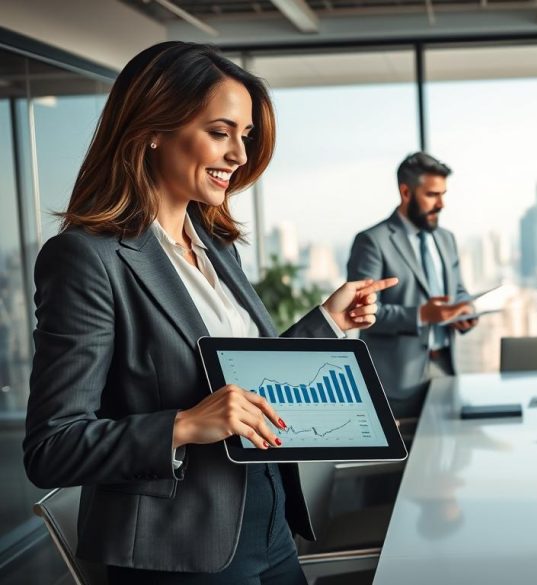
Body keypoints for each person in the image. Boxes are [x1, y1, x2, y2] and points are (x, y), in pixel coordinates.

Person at [22, 41, 397, 583]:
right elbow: (52, 447)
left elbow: (243, 385)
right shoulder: (86, 258)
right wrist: (183, 425)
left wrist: (329, 321)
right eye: (220, 133)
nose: (240, 156)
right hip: (181, 548)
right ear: (153, 128)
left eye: (243, 137)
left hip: (269, 519)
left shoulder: (217, 248)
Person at [347, 152, 475, 418]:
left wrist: (465, 311)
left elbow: (458, 290)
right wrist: (421, 315)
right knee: (407, 458)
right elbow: (362, 313)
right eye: (432, 195)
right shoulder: (372, 241)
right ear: (406, 192)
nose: (441, 204)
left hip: (445, 369)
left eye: (443, 194)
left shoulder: (446, 239)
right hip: (396, 381)